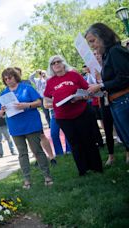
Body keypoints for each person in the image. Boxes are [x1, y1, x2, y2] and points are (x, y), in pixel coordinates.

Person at [44, 55, 103, 176]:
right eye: (53, 63)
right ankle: (83, 170)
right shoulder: (50, 82)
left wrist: (81, 97)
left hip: (81, 112)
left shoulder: (74, 75)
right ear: (51, 67)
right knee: (75, 144)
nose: (56, 64)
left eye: (58, 61)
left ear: (63, 63)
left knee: (89, 140)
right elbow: (46, 101)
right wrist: (55, 103)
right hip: (63, 117)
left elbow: (88, 90)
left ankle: (96, 167)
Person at [0, 68, 52, 189]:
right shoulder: (3, 93)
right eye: (5, 79)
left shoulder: (26, 88)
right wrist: (1, 111)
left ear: (15, 76)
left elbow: (38, 102)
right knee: (22, 154)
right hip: (15, 127)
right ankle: (27, 179)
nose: (8, 80)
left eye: (9, 77)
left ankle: (47, 176)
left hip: (31, 124)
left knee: (37, 150)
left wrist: (26, 105)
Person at [85, 23, 129, 164]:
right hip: (115, 102)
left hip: (124, 101)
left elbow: (124, 77)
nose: (92, 46)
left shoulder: (116, 51)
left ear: (102, 37)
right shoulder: (107, 55)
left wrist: (101, 86)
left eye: (93, 41)